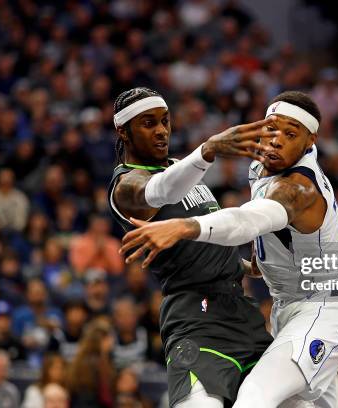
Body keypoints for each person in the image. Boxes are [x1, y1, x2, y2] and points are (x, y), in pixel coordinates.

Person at [120, 91, 338, 407]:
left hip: (328, 304)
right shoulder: (262, 167)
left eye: (290, 134)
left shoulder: (299, 187)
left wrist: (185, 226)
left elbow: (251, 220)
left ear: (310, 141)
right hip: (289, 306)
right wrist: (262, 263)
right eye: (271, 129)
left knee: (254, 396)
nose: (276, 140)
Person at [108, 87, 275, 407]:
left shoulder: (179, 170)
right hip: (195, 316)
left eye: (165, 121)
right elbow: (159, 193)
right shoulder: (126, 185)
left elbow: (197, 240)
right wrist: (207, 150)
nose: (161, 131)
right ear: (123, 131)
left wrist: (241, 266)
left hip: (241, 312)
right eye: (148, 123)